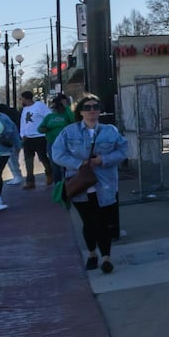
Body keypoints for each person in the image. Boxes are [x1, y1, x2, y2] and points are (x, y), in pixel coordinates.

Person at [51, 93, 128, 273]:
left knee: (103, 222)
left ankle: (106, 258)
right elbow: (58, 154)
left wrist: (104, 159)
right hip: (80, 185)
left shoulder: (110, 131)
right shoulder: (69, 132)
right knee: (88, 222)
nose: (92, 110)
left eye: (96, 107)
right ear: (80, 111)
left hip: (105, 185)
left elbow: (123, 151)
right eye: (88, 107)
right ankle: (92, 254)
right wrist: (79, 164)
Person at [18, 90, 53, 189]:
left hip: (39, 137)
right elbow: (23, 122)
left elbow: (49, 116)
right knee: (28, 160)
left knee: (43, 157)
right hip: (28, 138)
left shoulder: (39, 106)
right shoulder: (24, 109)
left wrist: (45, 128)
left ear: (26, 98)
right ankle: (30, 181)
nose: (21, 100)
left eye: (22, 98)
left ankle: (49, 173)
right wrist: (22, 134)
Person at [37, 93, 76, 178]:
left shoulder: (66, 114)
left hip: (66, 143)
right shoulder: (49, 116)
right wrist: (47, 128)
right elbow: (40, 129)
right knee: (55, 165)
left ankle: (67, 183)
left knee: (65, 165)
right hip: (52, 143)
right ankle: (58, 185)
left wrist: (67, 107)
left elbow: (73, 120)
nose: (57, 109)